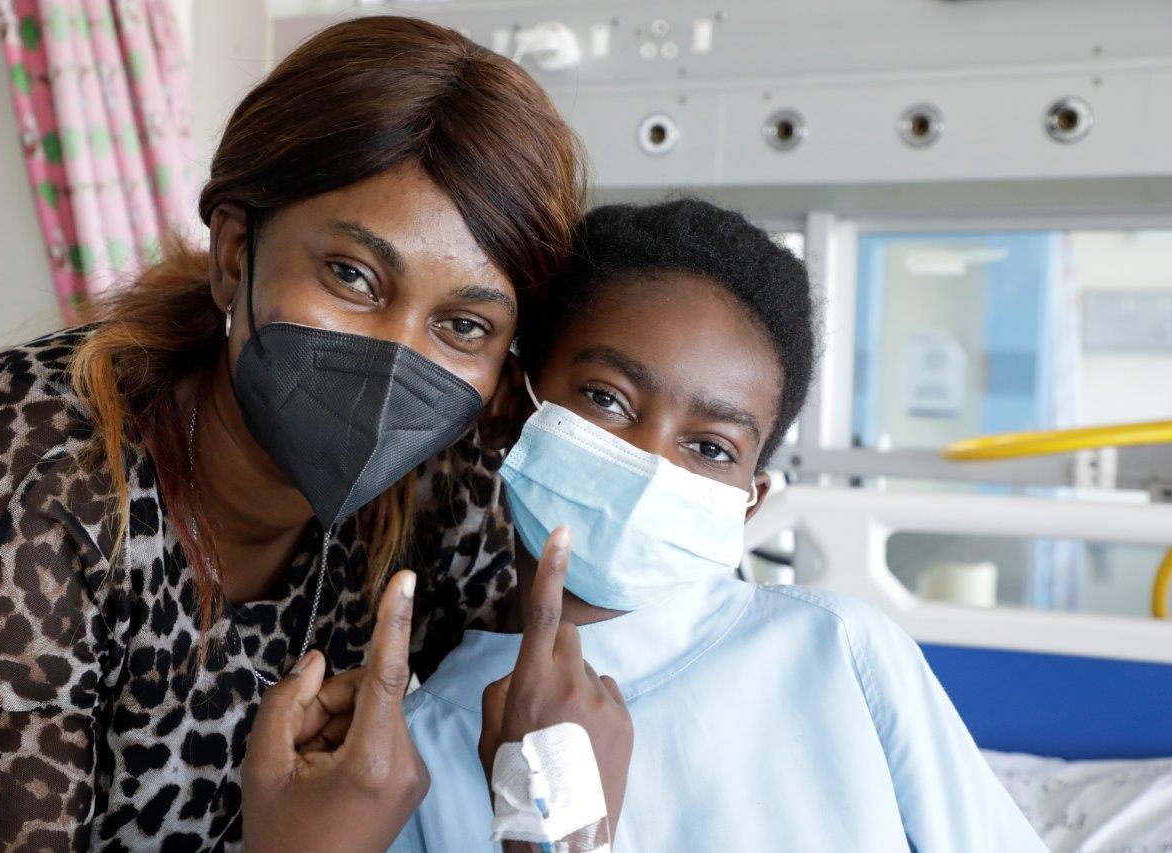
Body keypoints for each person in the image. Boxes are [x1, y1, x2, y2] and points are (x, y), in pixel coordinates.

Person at [0, 16, 635, 851]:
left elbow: (556, 699)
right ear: (234, 252)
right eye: (352, 276)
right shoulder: (29, 477)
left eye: (463, 326)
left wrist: (563, 805)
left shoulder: (445, 492)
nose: (394, 360)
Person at [390, 200, 1047, 851]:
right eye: (607, 399)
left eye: (709, 447)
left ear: (748, 503)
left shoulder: (840, 651)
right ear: (509, 405)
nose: (649, 461)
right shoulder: (417, 749)